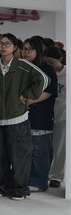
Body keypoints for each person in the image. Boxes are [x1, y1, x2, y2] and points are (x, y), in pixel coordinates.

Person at [0, 34, 45, 200]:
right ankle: (0, 186)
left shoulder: (23, 65)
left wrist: (28, 95)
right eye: (0, 43)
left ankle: (19, 189)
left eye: (7, 43)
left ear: (15, 47)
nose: (3, 46)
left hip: (18, 119)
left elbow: (43, 79)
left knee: (19, 157)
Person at [21, 38, 57, 193]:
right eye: (24, 49)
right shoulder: (21, 67)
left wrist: (30, 101)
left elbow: (49, 91)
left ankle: (39, 181)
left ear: (38, 51)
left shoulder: (46, 69)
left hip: (40, 114)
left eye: (30, 49)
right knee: (25, 150)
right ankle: (25, 179)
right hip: (21, 114)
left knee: (39, 149)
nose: (26, 52)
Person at [44, 46, 66, 189]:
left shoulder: (68, 74)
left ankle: (56, 176)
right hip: (46, 114)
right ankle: (43, 173)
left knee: (60, 147)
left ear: (60, 59)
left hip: (63, 115)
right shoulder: (45, 73)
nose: (49, 65)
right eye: (46, 62)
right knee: (44, 147)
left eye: (51, 62)